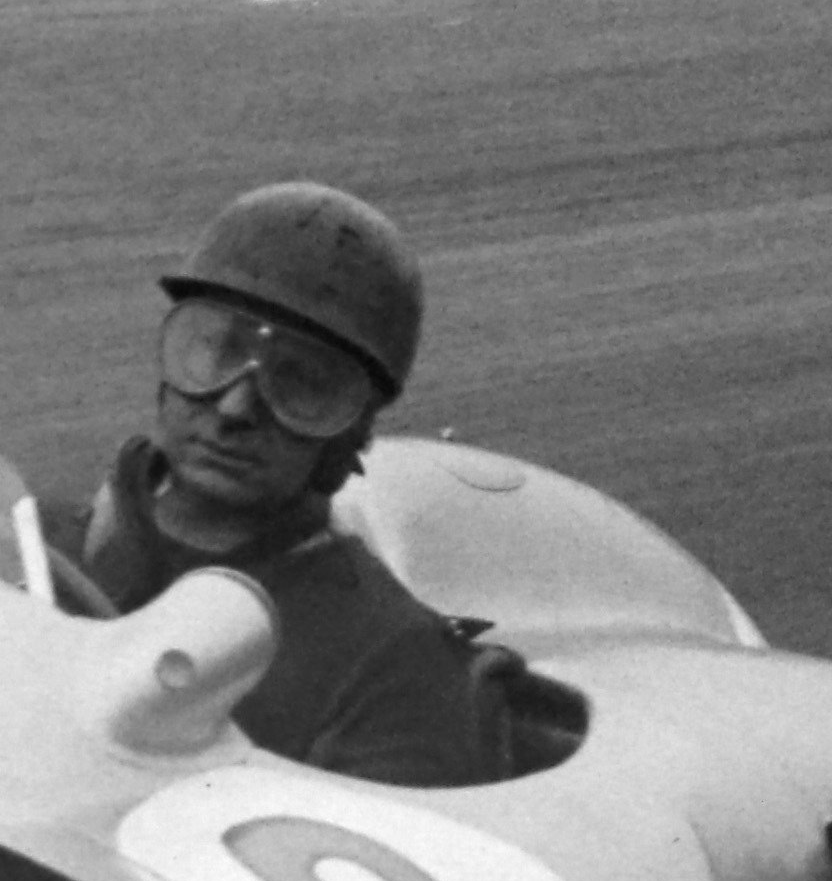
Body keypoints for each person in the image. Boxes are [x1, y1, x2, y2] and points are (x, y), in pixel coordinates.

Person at [33, 185, 539, 792]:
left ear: (353, 428)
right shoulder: (27, 548)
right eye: (216, 349)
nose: (236, 406)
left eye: (299, 382)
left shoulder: (397, 667)